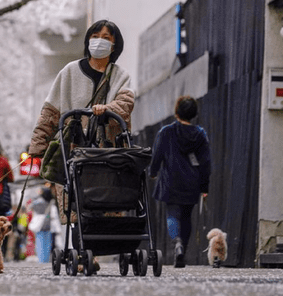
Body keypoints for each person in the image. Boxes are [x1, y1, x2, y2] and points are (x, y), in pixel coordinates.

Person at [28, 19, 135, 272]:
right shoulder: (69, 72)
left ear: (115, 44)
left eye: (107, 37)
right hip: (73, 148)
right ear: (88, 40)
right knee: (75, 202)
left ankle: (91, 252)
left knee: (104, 201)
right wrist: (36, 148)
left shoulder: (121, 76)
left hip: (107, 152)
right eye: (96, 35)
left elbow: (125, 104)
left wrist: (106, 110)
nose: (100, 40)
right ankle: (82, 254)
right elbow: (50, 113)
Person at [149, 95, 211, 268]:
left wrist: (153, 172)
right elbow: (206, 162)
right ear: (194, 114)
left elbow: (157, 155)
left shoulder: (166, 132)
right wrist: (204, 187)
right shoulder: (200, 134)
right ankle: (183, 247)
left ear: (177, 112)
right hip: (191, 182)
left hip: (171, 181)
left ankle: (177, 243)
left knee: (172, 214)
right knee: (186, 217)